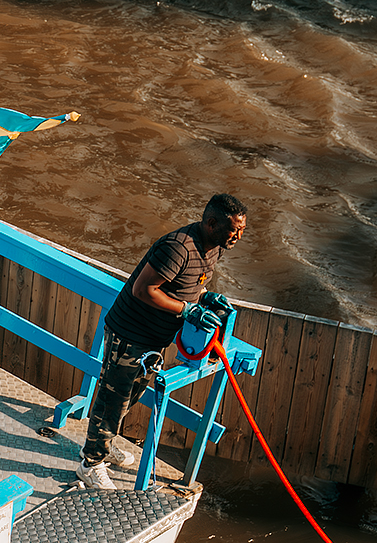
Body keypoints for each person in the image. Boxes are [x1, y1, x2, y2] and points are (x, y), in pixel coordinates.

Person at [78, 193, 249, 489]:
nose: (238, 236)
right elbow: (144, 289)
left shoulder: (214, 248)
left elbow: (186, 284)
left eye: (242, 230)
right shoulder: (178, 247)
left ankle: (104, 446)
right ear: (211, 223)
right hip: (130, 334)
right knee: (112, 401)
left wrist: (204, 298)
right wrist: (187, 310)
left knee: (131, 395)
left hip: (156, 339)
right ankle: (91, 463)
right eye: (234, 229)